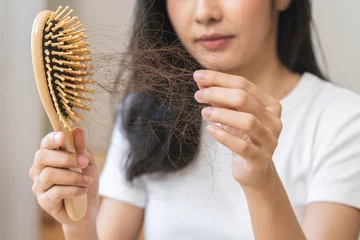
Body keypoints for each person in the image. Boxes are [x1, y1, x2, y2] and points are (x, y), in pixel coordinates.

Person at [29, 0, 360, 239]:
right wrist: (79, 224)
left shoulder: (342, 120)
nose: (205, 12)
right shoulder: (144, 112)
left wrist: (261, 181)